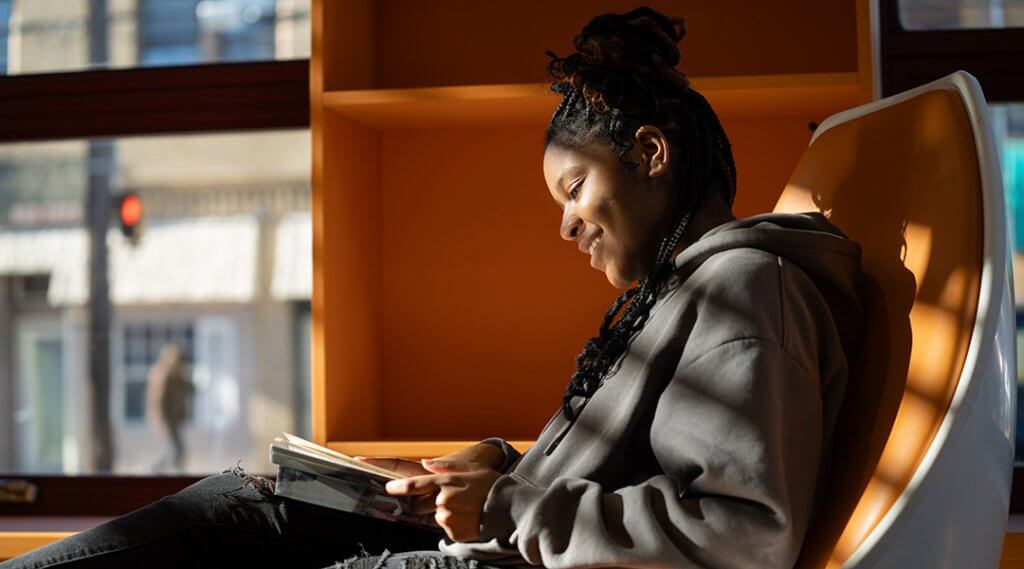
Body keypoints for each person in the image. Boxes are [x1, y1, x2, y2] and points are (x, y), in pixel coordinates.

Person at [1, 7, 863, 569]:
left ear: (650, 154)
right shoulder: (689, 293)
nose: (566, 226)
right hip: (510, 542)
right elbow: (643, 474)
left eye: (574, 191)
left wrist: (512, 502)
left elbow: (748, 531)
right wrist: (510, 464)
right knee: (246, 500)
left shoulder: (748, 293)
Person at [147, 344, 194, 473]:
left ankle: (172, 473)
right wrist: (161, 422)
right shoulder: (163, 376)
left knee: (177, 450)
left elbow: (188, 389)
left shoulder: (178, 377)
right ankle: (155, 471)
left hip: (175, 420)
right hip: (166, 420)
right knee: (174, 450)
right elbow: (158, 401)